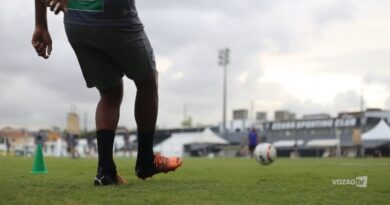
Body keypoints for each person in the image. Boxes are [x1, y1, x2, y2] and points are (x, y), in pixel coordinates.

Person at [32, 0, 182, 186]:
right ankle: (145, 161)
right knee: (147, 83)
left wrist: (40, 25)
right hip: (115, 17)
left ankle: (105, 171)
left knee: (110, 93)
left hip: (77, 23)